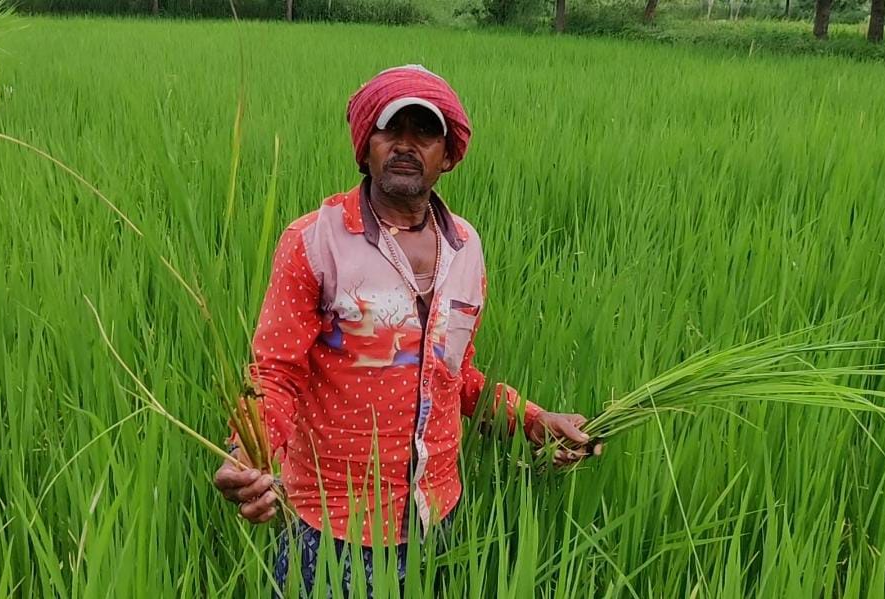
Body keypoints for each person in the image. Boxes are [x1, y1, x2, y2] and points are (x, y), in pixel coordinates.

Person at [213, 65, 602, 596]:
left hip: (437, 516)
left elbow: (456, 377)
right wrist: (248, 455)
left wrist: (535, 421)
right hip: (334, 529)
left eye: (425, 132)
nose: (406, 145)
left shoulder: (467, 248)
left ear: (447, 154)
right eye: (391, 129)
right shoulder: (316, 242)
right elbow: (275, 374)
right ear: (366, 144)